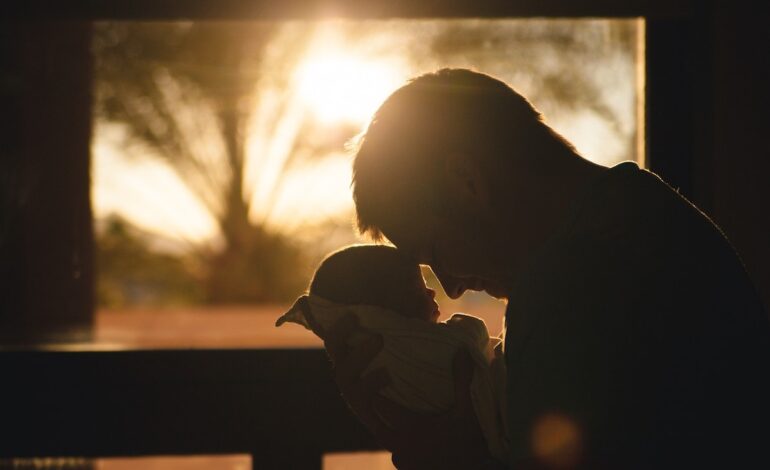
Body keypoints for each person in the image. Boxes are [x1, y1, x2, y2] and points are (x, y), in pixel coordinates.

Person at [321, 68, 770, 468]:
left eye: (434, 251)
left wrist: (448, 458)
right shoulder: (649, 212)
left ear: (467, 183)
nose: (452, 289)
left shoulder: (567, 283)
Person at [276, 245, 510, 464]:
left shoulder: (372, 370)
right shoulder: (410, 352)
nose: (437, 289)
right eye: (416, 289)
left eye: (437, 250)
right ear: (380, 315)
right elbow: (470, 339)